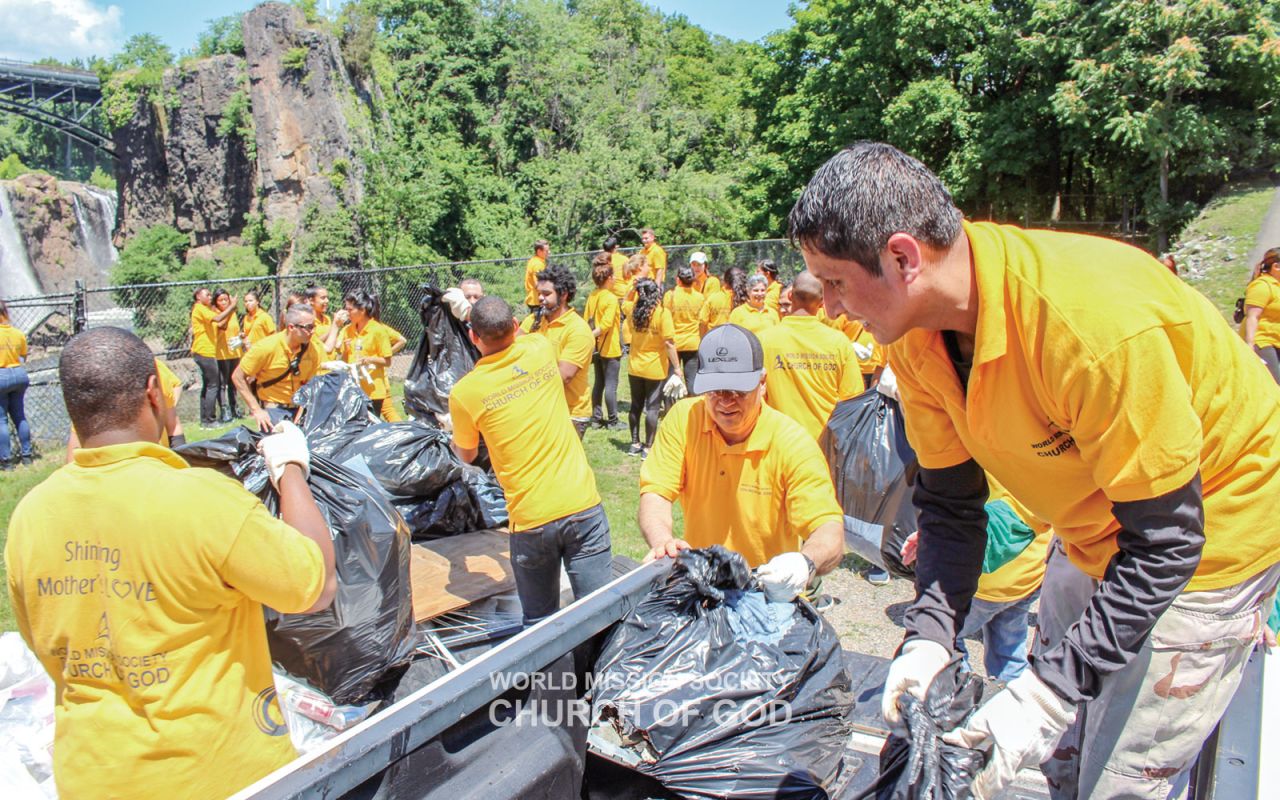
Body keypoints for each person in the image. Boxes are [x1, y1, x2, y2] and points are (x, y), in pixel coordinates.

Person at [789, 141, 1280, 800]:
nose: (828, 306)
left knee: (1116, 777)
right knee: (1042, 766)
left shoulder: (1087, 327)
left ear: (904, 257)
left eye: (836, 280)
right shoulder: (913, 334)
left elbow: (1168, 543)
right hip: (1093, 529)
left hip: (1208, 542)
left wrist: (1047, 692)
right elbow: (950, 501)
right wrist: (932, 633)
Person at [5, 326, 336, 800]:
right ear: (152, 392)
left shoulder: (30, 515)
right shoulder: (200, 499)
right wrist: (291, 472)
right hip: (218, 777)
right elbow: (317, 585)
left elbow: (43, 642)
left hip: (89, 778)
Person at [638, 323, 845, 602]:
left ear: (762, 382)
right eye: (714, 390)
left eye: (737, 390)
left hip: (767, 594)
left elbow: (828, 529)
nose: (725, 402)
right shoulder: (685, 419)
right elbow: (656, 492)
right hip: (703, 586)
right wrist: (663, 541)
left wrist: (804, 563)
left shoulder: (791, 442)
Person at [449, 295, 613, 626]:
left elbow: (466, 455)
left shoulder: (465, 393)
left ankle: (555, 678)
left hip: (531, 520)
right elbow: (517, 335)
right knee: (600, 615)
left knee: (540, 627)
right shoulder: (539, 348)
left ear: (472, 337)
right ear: (514, 325)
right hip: (582, 506)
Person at [901, 479, 1052, 683]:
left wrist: (945, 538)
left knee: (946, 639)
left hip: (983, 576)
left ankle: (959, 692)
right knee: (1009, 646)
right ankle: (1012, 694)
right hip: (1030, 570)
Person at [757, 271, 863, 440]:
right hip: (826, 446)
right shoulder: (839, 343)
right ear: (822, 303)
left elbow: (756, 397)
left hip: (780, 443)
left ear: (790, 295)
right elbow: (853, 400)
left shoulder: (764, 340)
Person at [520, 264, 595, 438]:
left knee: (564, 465)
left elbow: (563, 376)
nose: (540, 298)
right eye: (539, 293)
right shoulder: (534, 319)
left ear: (563, 295)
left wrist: (520, 384)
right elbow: (512, 349)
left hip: (569, 414)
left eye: (546, 294)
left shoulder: (578, 330)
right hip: (539, 407)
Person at [233, 304, 324, 432]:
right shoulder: (266, 347)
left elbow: (310, 387)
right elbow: (238, 377)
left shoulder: (314, 349)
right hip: (275, 411)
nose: (313, 331)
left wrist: (300, 417)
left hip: (300, 410)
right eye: (308, 327)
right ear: (291, 327)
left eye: (314, 326)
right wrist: (257, 410)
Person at [66, 357, 186, 455]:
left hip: (158, 464)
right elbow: (76, 441)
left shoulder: (153, 369)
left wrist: (183, 463)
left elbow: (173, 425)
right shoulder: (91, 380)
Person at [624, 278, 681, 457]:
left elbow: (624, 302)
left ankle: (634, 443)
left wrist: (633, 288)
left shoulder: (633, 310)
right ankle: (648, 447)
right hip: (654, 368)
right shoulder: (662, 313)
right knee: (653, 407)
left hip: (635, 366)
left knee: (636, 405)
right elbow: (669, 343)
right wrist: (677, 368)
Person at [333, 290, 396, 419]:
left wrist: (369, 359)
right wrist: (345, 350)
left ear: (362, 310)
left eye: (350, 310)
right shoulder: (348, 330)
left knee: (370, 430)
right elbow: (345, 360)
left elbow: (387, 361)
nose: (347, 313)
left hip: (373, 392)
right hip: (353, 390)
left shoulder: (377, 330)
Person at [190, 287, 237, 428]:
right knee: (213, 385)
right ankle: (210, 420)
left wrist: (229, 311)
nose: (210, 297)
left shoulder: (205, 310)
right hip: (205, 351)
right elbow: (218, 318)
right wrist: (232, 306)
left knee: (208, 386)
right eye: (207, 294)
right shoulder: (199, 308)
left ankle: (204, 420)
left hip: (205, 351)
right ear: (198, 296)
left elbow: (221, 325)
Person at [584, 257, 622, 429]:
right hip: (610, 347)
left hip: (596, 348)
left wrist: (590, 338)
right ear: (608, 279)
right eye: (613, 276)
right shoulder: (611, 298)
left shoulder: (592, 295)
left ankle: (597, 418)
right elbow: (606, 325)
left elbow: (587, 318)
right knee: (611, 385)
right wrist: (594, 334)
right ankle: (613, 420)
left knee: (599, 382)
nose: (614, 279)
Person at [0, 300, 32, 469]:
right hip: (19, 374)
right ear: (6, 312)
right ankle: (27, 456)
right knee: (19, 416)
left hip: (1, 375)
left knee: (1, 420)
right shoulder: (17, 333)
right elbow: (23, 356)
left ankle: (6, 461)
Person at [664, 264, 706, 386]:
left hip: (674, 343)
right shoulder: (700, 297)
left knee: (671, 380)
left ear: (678, 280)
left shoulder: (670, 296)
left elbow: (665, 317)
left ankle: (669, 405)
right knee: (692, 380)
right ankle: (692, 403)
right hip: (693, 342)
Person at [1243, 246, 1280, 382]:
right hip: (1263, 341)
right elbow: (1253, 316)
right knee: (1274, 384)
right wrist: (1250, 345)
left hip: (1277, 341)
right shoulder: (1262, 286)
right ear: (1276, 266)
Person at [212, 289, 244, 423]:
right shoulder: (216, 313)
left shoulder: (233, 313)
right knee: (222, 383)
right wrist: (231, 308)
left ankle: (234, 407)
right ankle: (224, 410)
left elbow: (234, 329)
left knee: (234, 381)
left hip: (234, 351)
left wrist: (240, 336)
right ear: (216, 302)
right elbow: (222, 326)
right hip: (222, 353)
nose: (224, 302)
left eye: (226, 299)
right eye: (221, 300)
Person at [699, 265, 740, 336]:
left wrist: (703, 339)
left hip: (714, 340)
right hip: (737, 341)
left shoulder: (713, 299)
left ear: (724, 280)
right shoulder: (744, 299)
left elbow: (702, 321)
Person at [524, 239, 550, 313]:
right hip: (537, 301)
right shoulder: (538, 264)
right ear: (539, 251)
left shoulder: (534, 260)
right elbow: (538, 284)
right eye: (546, 251)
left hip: (533, 299)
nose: (549, 252)